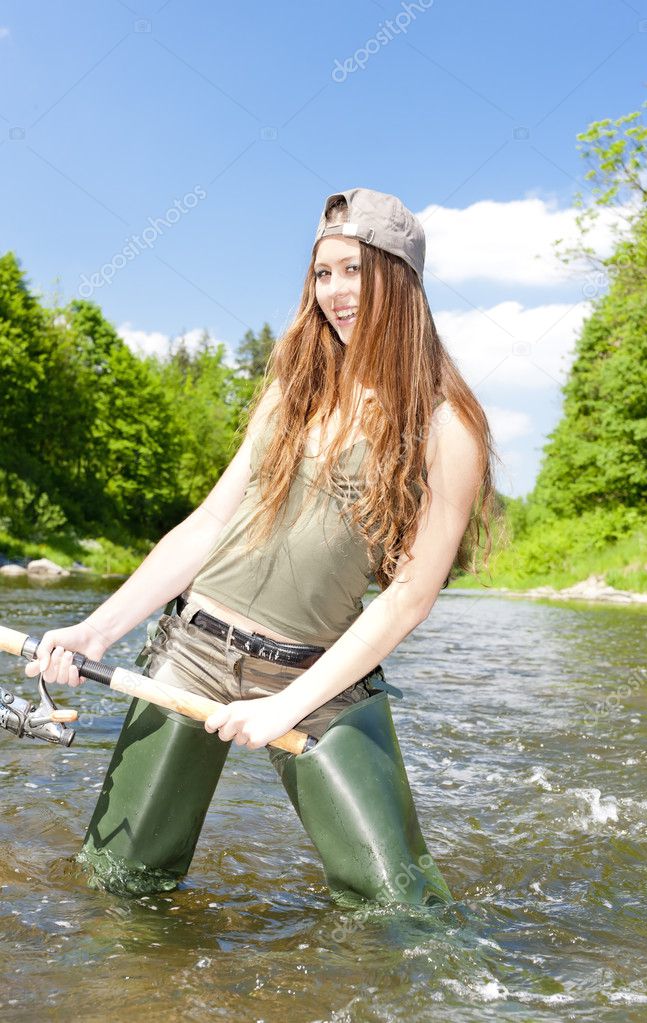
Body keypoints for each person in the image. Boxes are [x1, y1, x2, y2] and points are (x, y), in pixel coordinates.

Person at [25, 187, 497, 907]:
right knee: (119, 888)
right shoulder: (295, 385)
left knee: (403, 906)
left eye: (355, 271)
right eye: (322, 272)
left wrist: (287, 705)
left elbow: (410, 596)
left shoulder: (446, 424)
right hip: (193, 654)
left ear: (399, 279)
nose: (335, 291)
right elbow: (209, 524)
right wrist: (95, 630)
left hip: (321, 680)